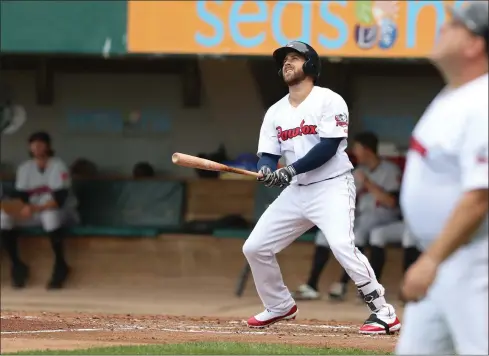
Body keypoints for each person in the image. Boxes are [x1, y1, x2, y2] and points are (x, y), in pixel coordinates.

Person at [242, 41, 401, 334]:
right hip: (298, 190)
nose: (287, 63)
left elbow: (328, 147)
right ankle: (279, 305)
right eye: (285, 60)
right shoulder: (275, 111)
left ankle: (384, 312)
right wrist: (266, 168)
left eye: (294, 58)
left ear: (311, 65)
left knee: (342, 245)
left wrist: (289, 170)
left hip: (332, 187)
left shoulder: (329, 100)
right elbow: (268, 153)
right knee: (255, 247)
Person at [395, 2, 488, 354]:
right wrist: (432, 259)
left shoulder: (483, 102)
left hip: (473, 259)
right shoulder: (455, 94)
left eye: (454, 24)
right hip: (443, 257)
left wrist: (431, 259)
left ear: (474, 44)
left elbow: (479, 196)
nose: (442, 28)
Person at [292, 132, 402, 301]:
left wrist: (366, 182)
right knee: (324, 235)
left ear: (367, 150)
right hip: (361, 215)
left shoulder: (389, 170)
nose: (354, 152)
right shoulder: (357, 171)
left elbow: (391, 202)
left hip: (385, 216)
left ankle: (342, 284)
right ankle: (311, 285)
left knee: (360, 231)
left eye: (357, 148)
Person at [0, 131, 79, 289]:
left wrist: (33, 208)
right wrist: (18, 208)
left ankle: (60, 265)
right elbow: (21, 196)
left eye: (41, 143)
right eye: (33, 144)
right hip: (35, 213)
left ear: (48, 146)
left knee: (50, 216)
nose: (37, 147)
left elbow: (59, 199)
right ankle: (17, 264)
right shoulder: (25, 168)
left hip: (63, 213)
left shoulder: (58, 165)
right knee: (3, 217)